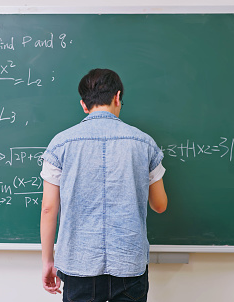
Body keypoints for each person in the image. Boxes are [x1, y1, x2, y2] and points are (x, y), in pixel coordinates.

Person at [39, 68, 168, 302]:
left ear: (84, 105)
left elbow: (48, 208)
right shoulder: (144, 143)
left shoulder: (60, 144)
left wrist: (49, 262)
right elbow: (160, 205)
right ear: (117, 97)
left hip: (79, 265)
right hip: (129, 265)